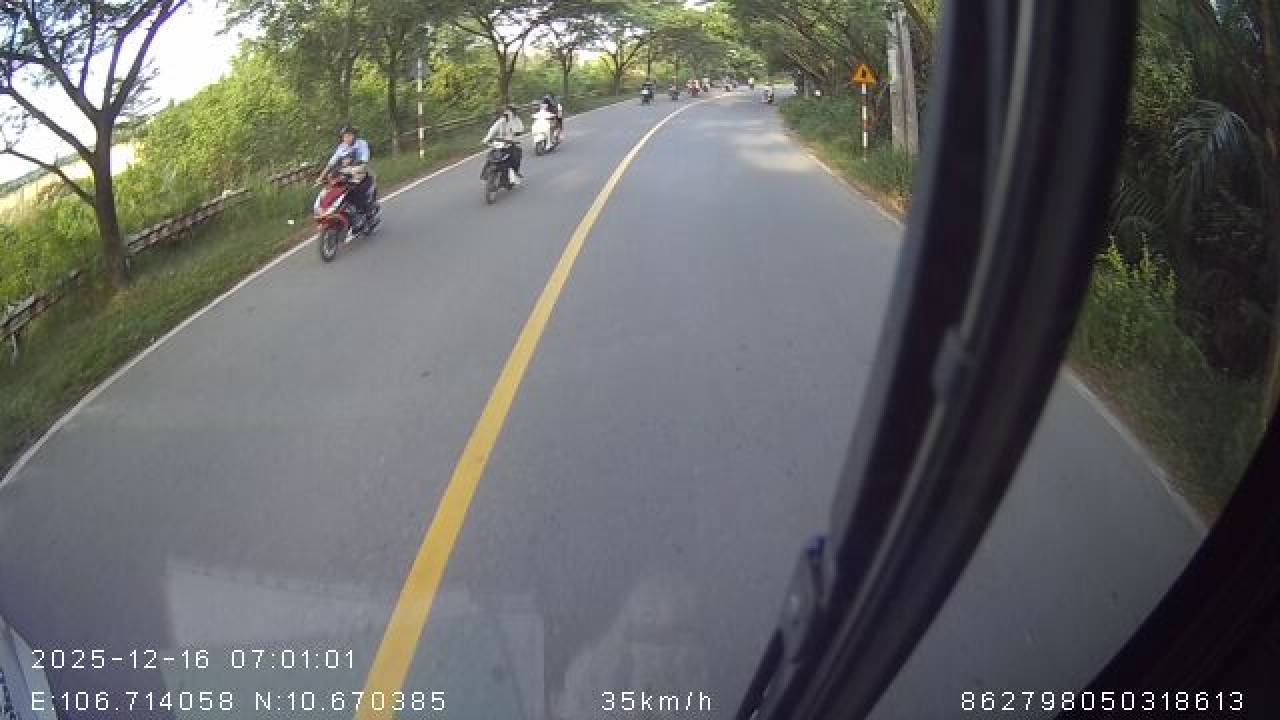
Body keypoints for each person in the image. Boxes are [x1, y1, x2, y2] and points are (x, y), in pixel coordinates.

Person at [317, 125, 374, 227]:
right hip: (345, 174)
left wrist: (354, 167)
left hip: (360, 172)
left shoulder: (361, 144)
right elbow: (331, 163)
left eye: (349, 136)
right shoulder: (342, 147)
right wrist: (320, 178)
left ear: (354, 135)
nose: (346, 138)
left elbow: (364, 159)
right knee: (333, 190)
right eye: (344, 136)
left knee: (357, 192)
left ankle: (367, 215)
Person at [482, 105, 525, 184]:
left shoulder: (516, 120)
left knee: (517, 154)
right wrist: (486, 139)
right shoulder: (501, 120)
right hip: (500, 142)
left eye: (510, 111)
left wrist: (514, 128)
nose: (507, 113)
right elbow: (493, 129)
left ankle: (515, 172)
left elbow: (520, 129)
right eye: (506, 112)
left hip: (511, 142)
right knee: (491, 156)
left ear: (513, 112)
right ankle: (485, 174)